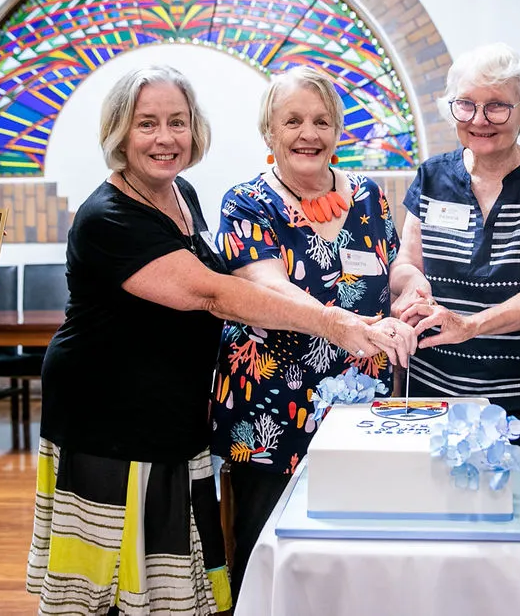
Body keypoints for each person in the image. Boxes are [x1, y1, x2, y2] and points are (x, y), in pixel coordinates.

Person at [26, 65, 412, 616]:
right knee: (109, 582)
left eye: (177, 123)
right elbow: (215, 294)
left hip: (172, 413)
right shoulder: (108, 217)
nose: (165, 138)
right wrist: (341, 325)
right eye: (147, 124)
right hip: (111, 420)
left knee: (170, 580)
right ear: (119, 132)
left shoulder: (178, 193)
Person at [212, 66, 415, 597]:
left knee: (353, 554)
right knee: (267, 553)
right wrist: (338, 323)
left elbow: (387, 269)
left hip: (360, 406)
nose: (309, 134)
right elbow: (264, 288)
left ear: (338, 131)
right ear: (269, 133)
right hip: (270, 408)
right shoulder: (247, 203)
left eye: (322, 121)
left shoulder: (369, 195)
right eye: (293, 121)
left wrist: (413, 288)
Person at [389, 43, 520, 541]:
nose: (481, 119)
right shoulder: (432, 176)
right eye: (467, 105)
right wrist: (412, 289)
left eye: (498, 105)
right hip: (436, 399)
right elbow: (408, 263)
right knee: (444, 543)